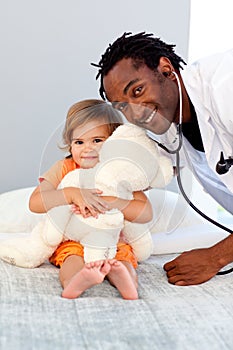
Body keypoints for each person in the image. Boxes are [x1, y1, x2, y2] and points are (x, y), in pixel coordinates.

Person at [92, 31, 233, 286]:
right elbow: (136, 173)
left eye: (137, 90)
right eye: (122, 106)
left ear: (166, 69)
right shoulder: (167, 124)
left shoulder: (226, 86)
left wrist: (215, 257)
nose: (135, 112)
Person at [29, 99, 153, 299]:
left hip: (113, 239)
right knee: (71, 259)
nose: (88, 148)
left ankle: (127, 281)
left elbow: (145, 213)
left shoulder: (121, 171)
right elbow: (35, 202)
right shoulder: (65, 168)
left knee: (123, 260)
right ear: (70, 145)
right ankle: (75, 282)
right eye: (79, 142)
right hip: (74, 239)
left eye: (97, 140)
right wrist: (71, 193)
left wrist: (113, 201)